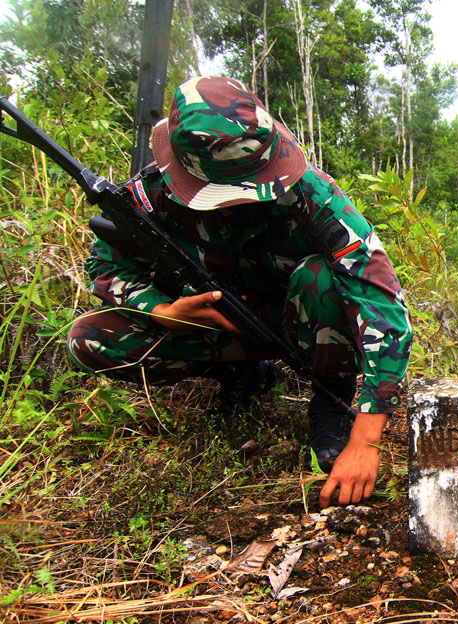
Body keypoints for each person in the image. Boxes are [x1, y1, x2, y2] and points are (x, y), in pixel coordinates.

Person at [66, 76, 412, 507]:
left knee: (321, 279)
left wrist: (366, 438)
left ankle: (330, 397)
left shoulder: (311, 193)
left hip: (296, 326)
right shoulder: (149, 195)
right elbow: (107, 266)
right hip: (213, 325)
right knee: (90, 339)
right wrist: (162, 310)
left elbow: (382, 301)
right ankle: (238, 374)